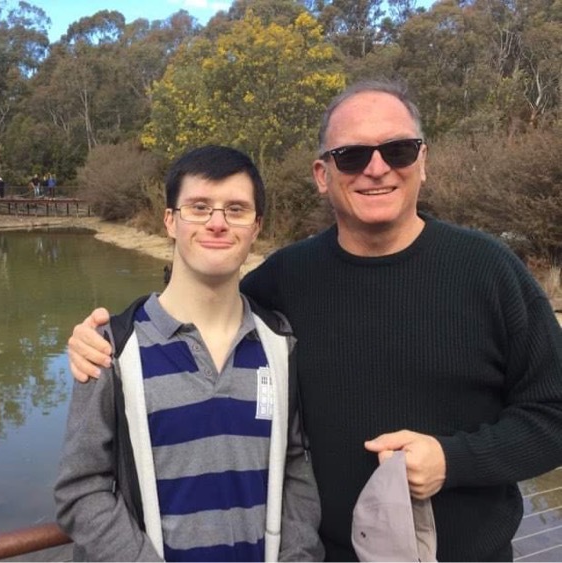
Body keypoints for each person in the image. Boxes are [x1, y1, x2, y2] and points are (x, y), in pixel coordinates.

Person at [65, 80, 562, 561]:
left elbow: (553, 415)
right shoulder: (286, 278)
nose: (376, 168)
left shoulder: (489, 270)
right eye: (351, 155)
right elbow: (201, 302)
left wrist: (454, 460)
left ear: (423, 162)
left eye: (398, 150)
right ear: (323, 174)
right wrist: (99, 336)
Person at [54, 145, 324, 562]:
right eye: (199, 207)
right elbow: (81, 488)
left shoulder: (279, 345)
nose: (217, 223)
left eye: (236, 209)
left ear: (256, 226)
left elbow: (294, 468)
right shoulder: (112, 349)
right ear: (170, 221)